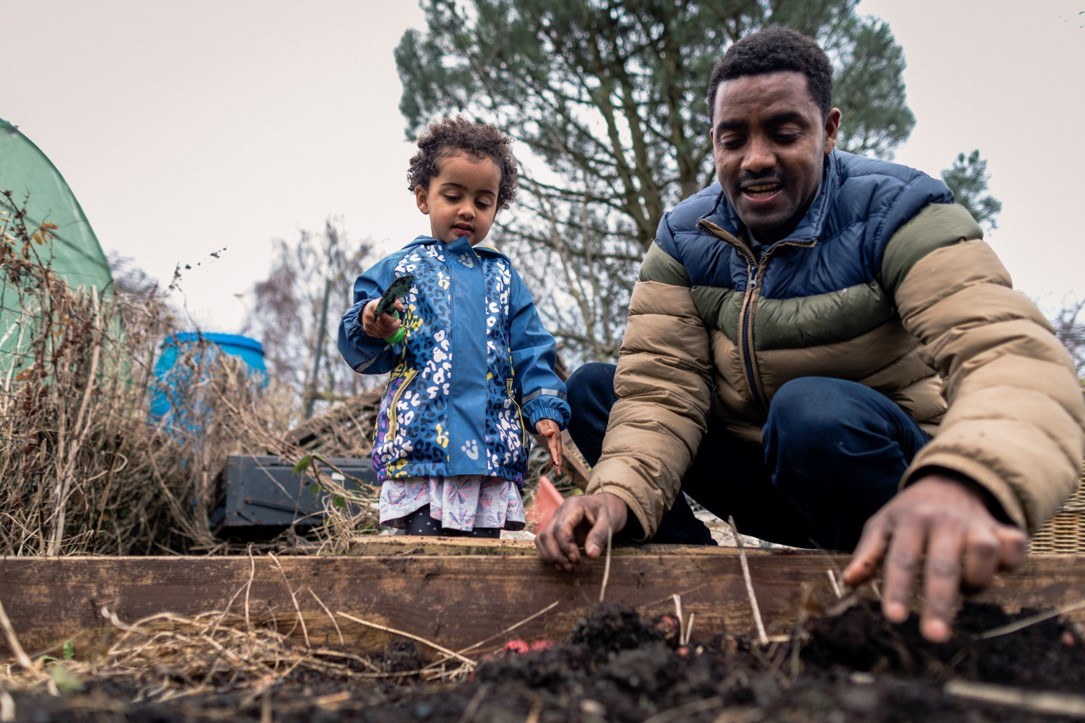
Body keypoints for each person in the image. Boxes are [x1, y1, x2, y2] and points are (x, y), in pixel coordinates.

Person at [535, 27, 1085, 642]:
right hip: (769, 477)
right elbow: (660, 392)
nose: (756, 159)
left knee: (810, 412)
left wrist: (965, 479)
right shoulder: (686, 237)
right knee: (594, 391)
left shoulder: (898, 211)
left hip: (886, 485)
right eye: (733, 139)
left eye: (784, 133)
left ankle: (894, 610)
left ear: (829, 130)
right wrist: (614, 497)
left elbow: (1010, 355)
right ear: (714, 142)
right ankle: (694, 610)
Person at [338, 117, 570, 538]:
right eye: (453, 195)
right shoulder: (399, 269)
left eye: (483, 202)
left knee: (478, 561)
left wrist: (545, 410)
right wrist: (372, 322)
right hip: (421, 449)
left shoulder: (504, 278)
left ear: (497, 208)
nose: (467, 210)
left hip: (490, 452)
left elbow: (533, 350)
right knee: (423, 557)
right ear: (423, 198)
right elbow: (361, 338)